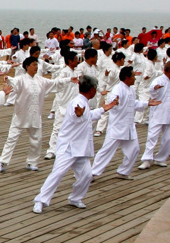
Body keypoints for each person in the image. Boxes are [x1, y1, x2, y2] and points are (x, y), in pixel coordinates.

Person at [33, 76, 117, 212]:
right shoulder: (77, 103)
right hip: (69, 147)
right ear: (92, 90)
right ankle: (40, 201)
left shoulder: (83, 103)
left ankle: (75, 198)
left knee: (87, 175)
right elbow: (77, 115)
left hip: (81, 148)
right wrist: (79, 115)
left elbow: (87, 115)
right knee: (58, 173)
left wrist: (104, 109)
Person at [0, 57, 71, 173]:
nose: (36, 67)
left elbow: (55, 83)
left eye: (37, 65)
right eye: (34, 65)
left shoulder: (41, 80)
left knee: (36, 140)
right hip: (21, 115)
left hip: (35, 115)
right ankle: (2, 162)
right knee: (11, 139)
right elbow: (14, 82)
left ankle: (32, 162)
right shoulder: (21, 79)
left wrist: (70, 79)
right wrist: (9, 79)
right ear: (27, 66)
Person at [91, 66, 156, 180]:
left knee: (134, 149)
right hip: (117, 126)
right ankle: (92, 174)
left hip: (129, 127)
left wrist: (147, 104)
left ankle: (123, 171)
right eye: (133, 76)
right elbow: (112, 100)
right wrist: (114, 101)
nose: (135, 78)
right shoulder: (118, 89)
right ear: (127, 77)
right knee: (106, 151)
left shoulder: (131, 89)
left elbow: (134, 103)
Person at [138, 61, 170, 169]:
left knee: (167, 139)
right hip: (158, 114)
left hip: (169, 114)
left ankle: (160, 158)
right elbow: (152, 88)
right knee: (152, 137)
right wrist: (155, 88)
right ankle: (147, 160)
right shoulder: (158, 80)